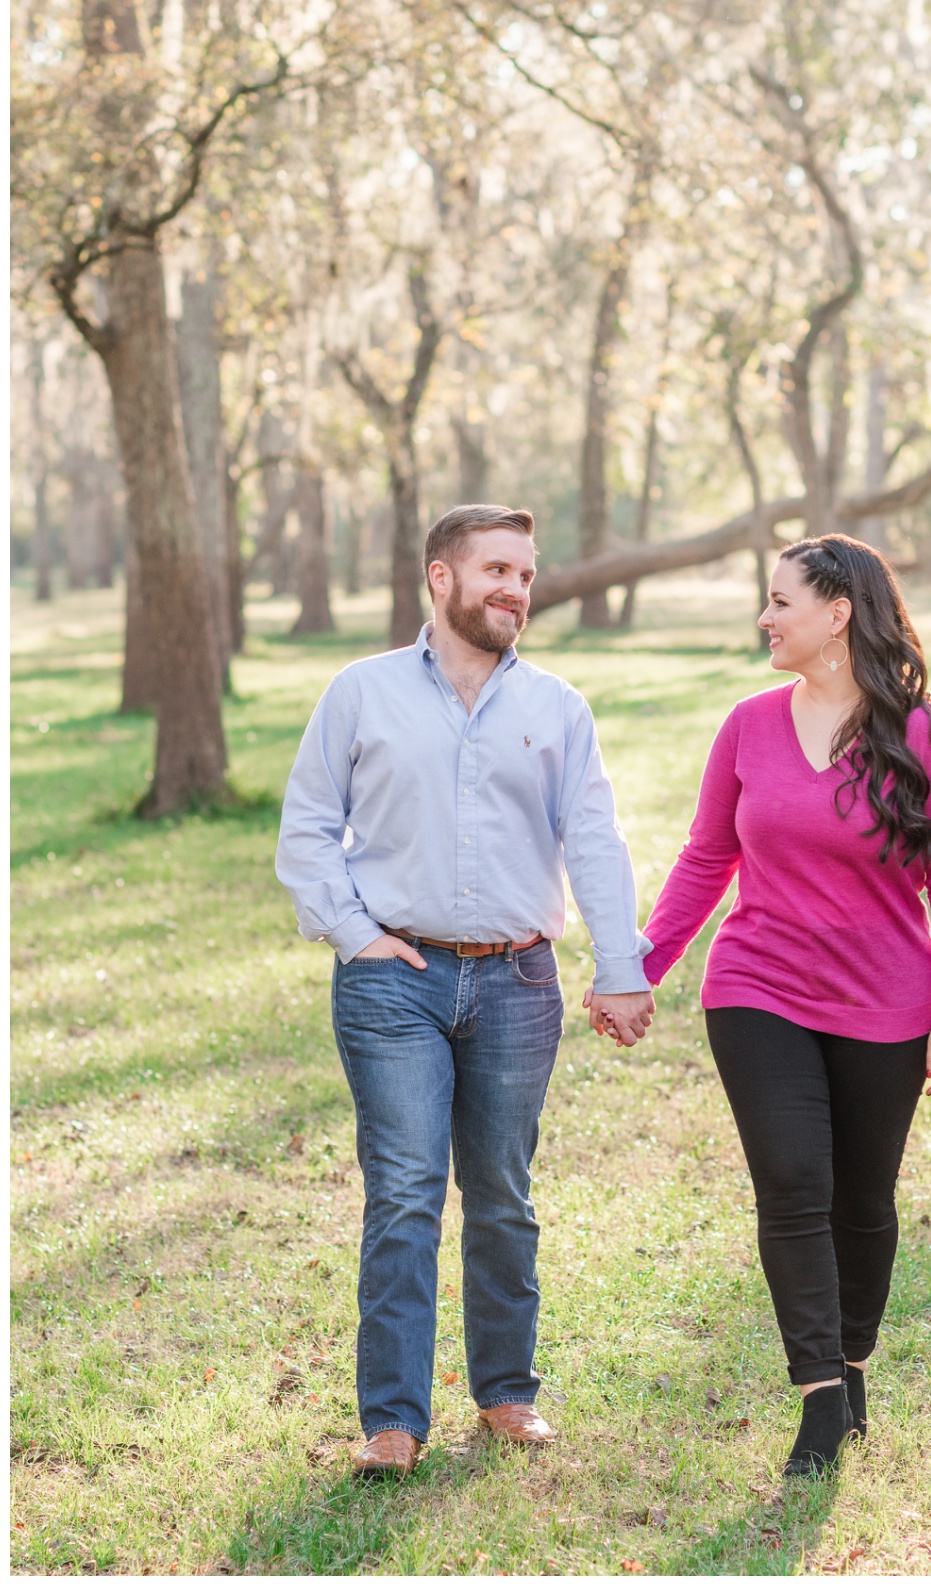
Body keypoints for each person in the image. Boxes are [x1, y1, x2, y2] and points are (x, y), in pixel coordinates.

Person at [590, 535, 931, 1478]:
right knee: (794, 1186)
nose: (765, 619)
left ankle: (852, 1367)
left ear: (837, 613)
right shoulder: (748, 724)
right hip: (757, 988)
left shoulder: (922, 735)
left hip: (887, 1003)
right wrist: (638, 965)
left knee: (863, 1203)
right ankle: (817, 1396)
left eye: (779, 602)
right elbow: (705, 859)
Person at [277, 504, 655, 1478]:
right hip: (391, 980)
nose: (514, 590)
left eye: (524, 574)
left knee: (501, 1192)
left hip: (520, 979)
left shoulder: (556, 708)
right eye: (495, 569)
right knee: (403, 1193)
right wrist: (357, 936)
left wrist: (620, 969)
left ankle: (505, 1392)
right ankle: (392, 1420)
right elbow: (309, 827)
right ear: (439, 579)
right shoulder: (359, 693)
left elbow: (595, 846)